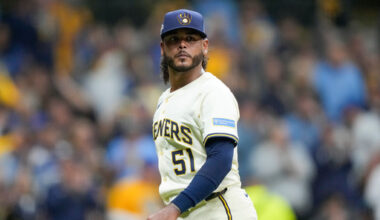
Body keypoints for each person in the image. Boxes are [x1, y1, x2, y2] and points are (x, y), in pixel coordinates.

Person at [147, 9, 257, 220]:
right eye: (174, 39)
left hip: (219, 208)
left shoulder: (213, 92)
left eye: (190, 38)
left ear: (205, 46)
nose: (182, 45)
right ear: (162, 48)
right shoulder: (163, 99)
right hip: (187, 211)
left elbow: (220, 159)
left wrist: (174, 208)